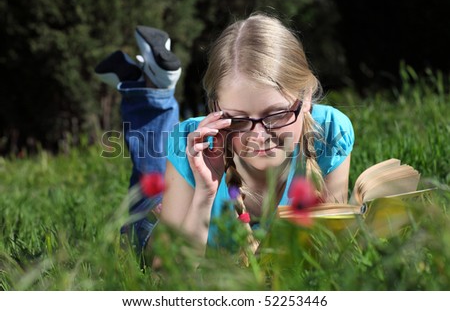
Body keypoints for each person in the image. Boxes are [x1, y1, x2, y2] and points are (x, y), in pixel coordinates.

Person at [95, 13, 354, 264]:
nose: (258, 136)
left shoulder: (330, 132)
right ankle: (152, 92)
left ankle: (148, 84)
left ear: (306, 97)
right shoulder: (192, 142)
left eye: (276, 115)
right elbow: (166, 270)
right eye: (238, 120)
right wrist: (204, 196)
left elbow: (327, 249)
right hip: (162, 218)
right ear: (215, 107)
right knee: (148, 180)